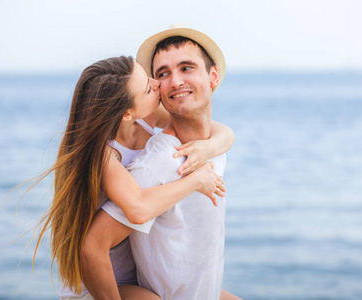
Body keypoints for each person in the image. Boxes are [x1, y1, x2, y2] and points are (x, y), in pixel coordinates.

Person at [27, 55, 235, 299]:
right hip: (102, 284)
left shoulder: (145, 117)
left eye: (148, 76)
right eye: (148, 88)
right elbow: (138, 208)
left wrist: (208, 148)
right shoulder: (104, 156)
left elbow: (215, 128)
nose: (157, 83)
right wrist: (195, 181)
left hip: (138, 276)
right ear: (126, 113)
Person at [82, 24, 242, 300]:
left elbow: (224, 134)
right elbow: (95, 244)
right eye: (162, 74)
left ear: (213, 76)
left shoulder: (207, 145)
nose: (174, 82)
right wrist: (195, 179)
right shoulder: (154, 164)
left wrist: (212, 147)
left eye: (187, 68)